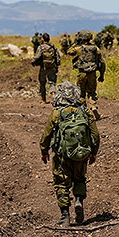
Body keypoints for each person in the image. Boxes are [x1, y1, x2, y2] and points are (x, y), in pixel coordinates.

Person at [40, 81, 100, 226]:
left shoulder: (57, 113)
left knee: (61, 182)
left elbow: (46, 134)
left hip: (62, 155)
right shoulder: (84, 111)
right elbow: (95, 134)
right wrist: (93, 152)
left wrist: (44, 151)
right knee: (79, 178)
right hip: (82, 153)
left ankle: (65, 216)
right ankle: (79, 200)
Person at [67, 31, 105, 120]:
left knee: (81, 94)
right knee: (92, 92)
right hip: (92, 73)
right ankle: (94, 108)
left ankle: (84, 113)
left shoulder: (79, 49)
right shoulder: (96, 49)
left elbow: (69, 52)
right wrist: (101, 75)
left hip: (82, 73)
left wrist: (75, 43)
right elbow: (102, 63)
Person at [32, 32, 61, 103]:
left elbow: (37, 57)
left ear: (42, 39)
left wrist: (33, 61)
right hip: (52, 67)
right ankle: (53, 96)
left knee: (42, 83)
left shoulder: (41, 47)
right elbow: (58, 58)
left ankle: (43, 99)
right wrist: (56, 65)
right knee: (52, 83)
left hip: (43, 67)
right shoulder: (53, 47)